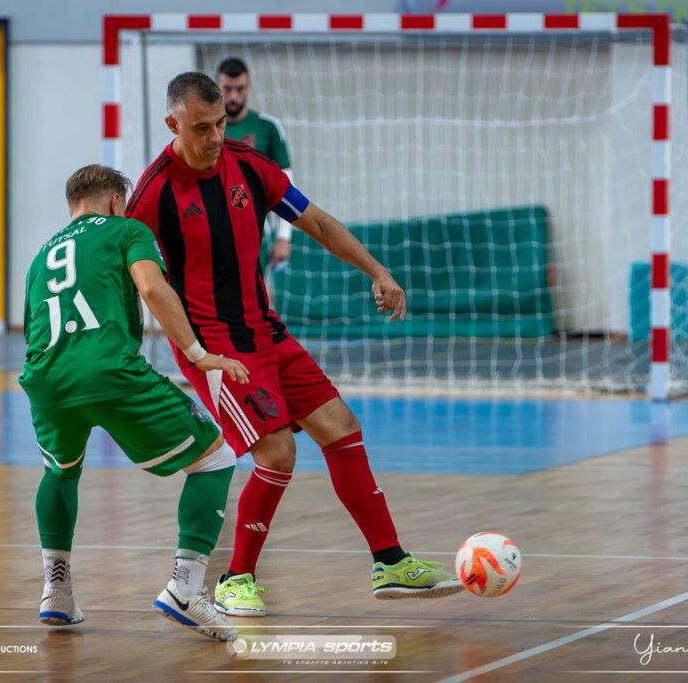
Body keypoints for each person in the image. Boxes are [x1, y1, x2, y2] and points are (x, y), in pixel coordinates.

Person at [125, 73, 462, 618]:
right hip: (218, 349)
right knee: (277, 452)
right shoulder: (152, 193)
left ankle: (390, 562)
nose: (215, 137)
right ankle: (235, 579)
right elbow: (141, 282)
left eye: (221, 124)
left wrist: (377, 270)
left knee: (341, 427)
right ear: (173, 124)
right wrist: (183, 352)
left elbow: (318, 223)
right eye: (202, 128)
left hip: (268, 331)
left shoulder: (249, 165)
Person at [19, 164, 249, 640]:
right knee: (215, 458)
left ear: (73, 204)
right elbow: (151, 286)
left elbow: (33, 323)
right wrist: (197, 353)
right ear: (115, 202)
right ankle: (185, 587)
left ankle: (56, 591)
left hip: (44, 377)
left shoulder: (41, 254)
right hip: (108, 369)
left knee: (60, 471)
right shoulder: (127, 230)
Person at [217, 57, 294, 273]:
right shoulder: (205, 129)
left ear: (248, 87)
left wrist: (283, 236)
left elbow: (286, 183)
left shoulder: (267, 127)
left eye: (239, 89)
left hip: (254, 230)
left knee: (254, 291)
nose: (233, 96)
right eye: (227, 89)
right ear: (217, 87)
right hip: (210, 229)